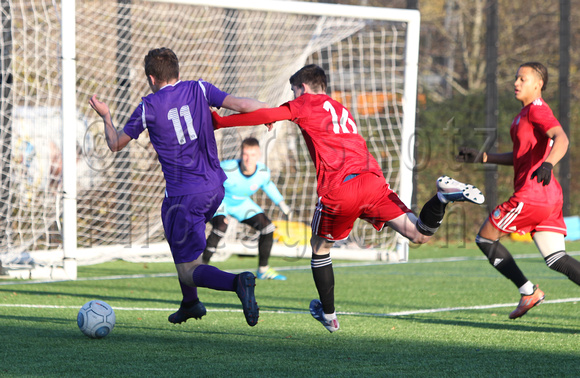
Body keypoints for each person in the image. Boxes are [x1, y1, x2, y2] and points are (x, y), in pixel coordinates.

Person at [211, 64, 485, 332]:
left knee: (319, 246)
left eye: (294, 91)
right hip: (373, 181)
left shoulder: (305, 103)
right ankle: (442, 197)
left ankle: (329, 314)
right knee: (419, 234)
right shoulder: (340, 108)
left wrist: (221, 121)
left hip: (341, 189)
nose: (293, 97)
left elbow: (257, 113)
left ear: (303, 87)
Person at [88, 47, 266, 327]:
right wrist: (268, 113)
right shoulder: (199, 88)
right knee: (177, 236)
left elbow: (114, 144)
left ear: (150, 78)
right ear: (178, 72)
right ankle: (190, 303)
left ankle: (237, 282)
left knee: (189, 270)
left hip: (184, 196)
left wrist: (106, 116)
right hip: (216, 187)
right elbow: (242, 105)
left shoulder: (147, 106)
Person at [456, 61, 579, 319]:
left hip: (533, 194)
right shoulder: (521, 117)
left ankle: (528, 291)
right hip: (549, 196)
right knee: (557, 258)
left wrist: (548, 163)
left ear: (538, 84)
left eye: (523, 79)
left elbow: (562, 137)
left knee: (485, 238)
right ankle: (528, 292)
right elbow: (520, 156)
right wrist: (483, 157)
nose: (516, 83)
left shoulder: (537, 110)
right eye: (516, 78)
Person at [202, 137, 291, 281]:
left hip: (242, 204)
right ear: (241, 154)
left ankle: (263, 270)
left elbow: (269, 187)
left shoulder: (263, 172)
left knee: (268, 228)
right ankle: (201, 267)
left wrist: (283, 206)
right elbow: (206, 180)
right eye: (245, 154)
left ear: (259, 155)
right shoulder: (226, 168)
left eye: (253, 155)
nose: (248, 159)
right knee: (221, 226)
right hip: (221, 201)